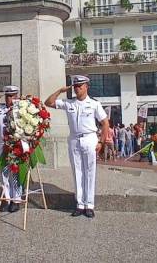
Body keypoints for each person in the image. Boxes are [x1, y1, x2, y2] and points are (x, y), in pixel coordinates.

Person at [45, 75, 109, 219]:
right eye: (75, 86)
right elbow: (48, 102)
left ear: (87, 86)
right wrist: (60, 90)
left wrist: (101, 142)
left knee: (90, 172)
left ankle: (89, 205)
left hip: (89, 138)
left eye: (80, 86)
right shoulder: (69, 103)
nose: (77, 88)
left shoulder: (94, 104)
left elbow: (105, 123)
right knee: (77, 172)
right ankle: (80, 204)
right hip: (74, 139)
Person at [0, 85, 23, 213]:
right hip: (2, 144)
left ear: (16, 96)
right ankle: (8, 199)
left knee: (16, 173)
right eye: (7, 96)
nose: (9, 99)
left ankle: (16, 200)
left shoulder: (22, 109)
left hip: (16, 144)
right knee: (4, 173)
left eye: (12, 96)